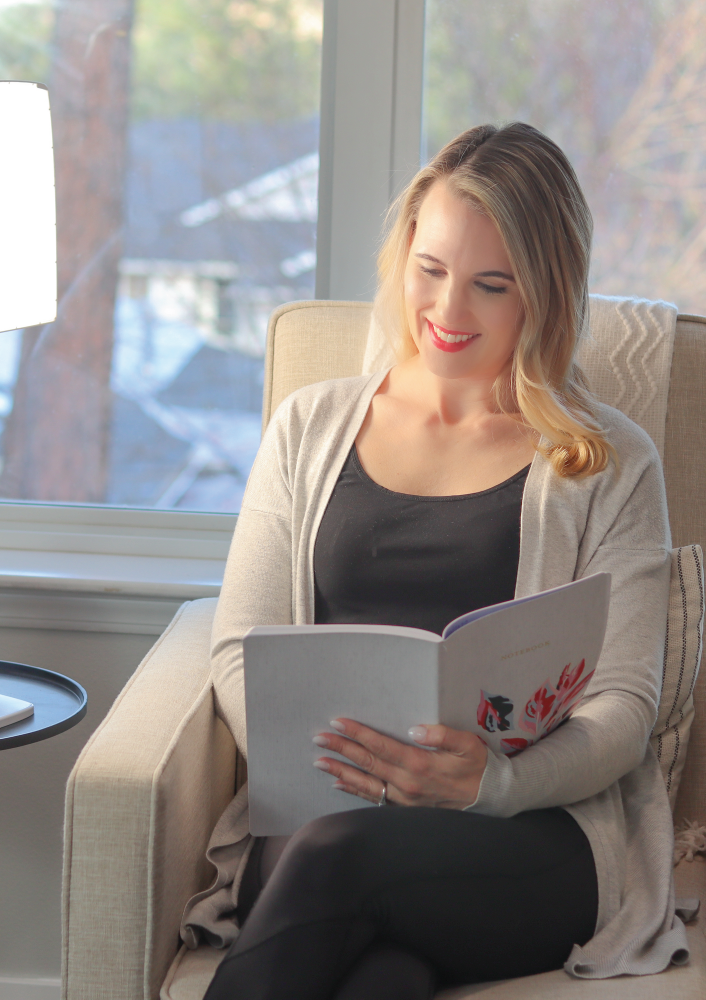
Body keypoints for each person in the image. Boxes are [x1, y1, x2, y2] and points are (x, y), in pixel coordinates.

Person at [197, 123, 687, 999]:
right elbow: (241, 644)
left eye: (490, 285)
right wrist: (344, 765)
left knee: (339, 864)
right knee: (381, 970)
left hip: (526, 830)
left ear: (544, 292)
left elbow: (625, 706)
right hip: (326, 805)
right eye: (431, 270)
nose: (449, 313)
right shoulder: (309, 427)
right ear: (403, 257)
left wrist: (491, 782)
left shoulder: (611, 461)